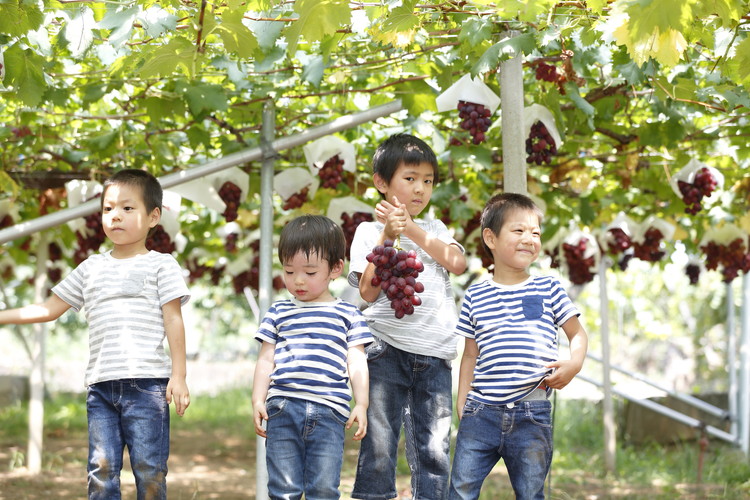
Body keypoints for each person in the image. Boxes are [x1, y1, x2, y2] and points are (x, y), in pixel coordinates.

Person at [0, 169, 191, 499]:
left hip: (147, 386)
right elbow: (48, 309)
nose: (115, 216)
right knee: (101, 469)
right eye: (108, 208)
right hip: (101, 388)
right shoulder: (90, 267)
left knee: (150, 469)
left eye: (128, 208)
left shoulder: (162, 265)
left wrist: (180, 375)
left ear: (153, 216)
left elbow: (173, 319)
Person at [348, 133, 467, 500]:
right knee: (380, 444)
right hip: (385, 349)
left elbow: (457, 262)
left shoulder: (436, 230)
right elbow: (367, 293)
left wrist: (409, 228)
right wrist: (387, 235)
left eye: (428, 181)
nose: (420, 189)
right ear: (382, 183)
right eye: (410, 178)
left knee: (434, 449)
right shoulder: (368, 231)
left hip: (435, 355)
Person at [448, 193, 589, 500]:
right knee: (460, 491)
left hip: (532, 413)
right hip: (481, 412)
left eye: (535, 233)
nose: (530, 239)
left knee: (530, 493)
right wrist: (463, 401)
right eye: (519, 230)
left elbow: (577, 334)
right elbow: (470, 353)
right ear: (491, 238)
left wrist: (574, 364)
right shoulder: (475, 295)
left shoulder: (548, 286)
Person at [252, 214, 372, 499]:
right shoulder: (278, 313)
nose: (298, 281)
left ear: (335, 268)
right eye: (289, 271)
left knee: (324, 489)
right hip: (282, 408)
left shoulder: (348, 315)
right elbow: (266, 360)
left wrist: (362, 403)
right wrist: (258, 398)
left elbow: (356, 362)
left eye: (309, 271)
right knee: (283, 489)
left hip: (330, 412)